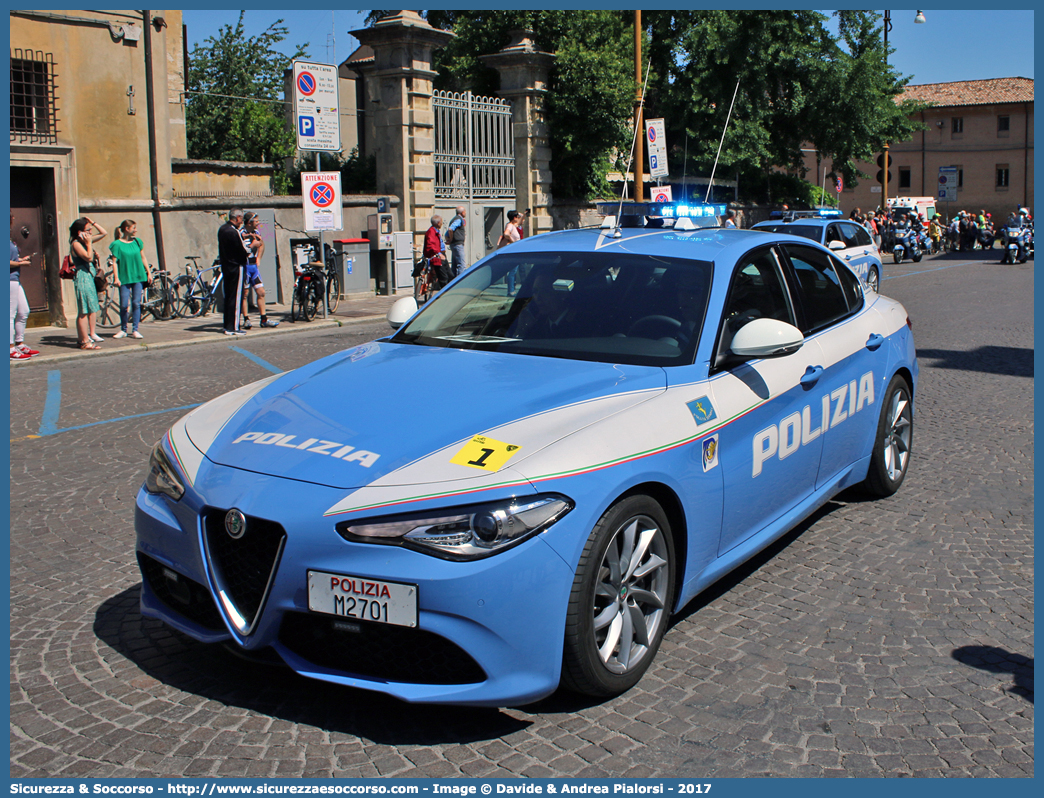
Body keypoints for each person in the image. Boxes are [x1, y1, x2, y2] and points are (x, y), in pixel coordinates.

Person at [69, 217, 108, 350]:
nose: (91, 232)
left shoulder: (84, 241)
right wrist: (90, 244)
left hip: (89, 277)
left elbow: (104, 233)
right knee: (83, 311)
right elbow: (88, 257)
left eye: (91, 230)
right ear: (80, 232)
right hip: (83, 277)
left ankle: (84, 339)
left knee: (90, 308)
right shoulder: (76, 244)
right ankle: (84, 341)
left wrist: (93, 222)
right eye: (88, 230)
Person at [108, 219, 150, 339]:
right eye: (134, 228)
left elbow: (143, 257)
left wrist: (148, 273)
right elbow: (114, 262)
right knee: (123, 305)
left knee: (136, 303)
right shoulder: (117, 244)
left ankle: (135, 329)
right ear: (127, 229)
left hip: (138, 276)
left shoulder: (137, 242)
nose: (135, 230)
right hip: (125, 277)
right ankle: (123, 329)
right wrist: (116, 277)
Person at [239, 212, 278, 329]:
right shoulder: (240, 233)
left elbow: (261, 244)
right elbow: (239, 249)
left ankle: (264, 319)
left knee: (261, 292)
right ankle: (246, 319)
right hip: (244, 266)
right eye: (256, 221)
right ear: (249, 222)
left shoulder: (256, 232)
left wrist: (258, 258)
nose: (258, 223)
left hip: (253, 267)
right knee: (244, 294)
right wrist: (252, 245)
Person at [10, 214, 38, 360]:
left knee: (23, 311)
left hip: (15, 279)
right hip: (9, 281)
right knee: (10, 314)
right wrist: (21, 264)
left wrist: (20, 259)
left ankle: (19, 343)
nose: (14, 221)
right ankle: (9, 348)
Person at [217, 208, 248, 336]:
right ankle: (234, 327)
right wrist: (252, 246)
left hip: (226, 266)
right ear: (238, 218)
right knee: (236, 297)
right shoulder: (233, 232)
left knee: (229, 296)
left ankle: (227, 326)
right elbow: (242, 250)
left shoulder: (223, 229)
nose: (242, 221)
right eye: (241, 218)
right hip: (236, 266)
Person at [498, 210, 523, 295]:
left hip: (514, 251)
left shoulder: (512, 225)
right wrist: (512, 242)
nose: (518, 218)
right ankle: (511, 290)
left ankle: (512, 289)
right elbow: (506, 234)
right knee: (512, 271)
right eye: (517, 216)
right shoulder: (510, 226)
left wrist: (522, 214)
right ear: (514, 217)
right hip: (513, 251)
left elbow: (520, 220)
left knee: (513, 271)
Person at [423, 214, 450, 289]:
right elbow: (431, 245)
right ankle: (444, 292)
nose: (442, 223)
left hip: (441, 254)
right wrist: (438, 254)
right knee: (443, 277)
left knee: (450, 274)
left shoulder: (436, 231)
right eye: (441, 222)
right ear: (438, 223)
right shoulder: (431, 232)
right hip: (437, 256)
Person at [445, 206, 467, 276]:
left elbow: (447, 233)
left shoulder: (454, 219)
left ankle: (453, 281)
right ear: (462, 212)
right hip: (458, 245)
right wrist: (451, 239)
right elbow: (450, 229)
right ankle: (460, 281)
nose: (465, 213)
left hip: (454, 245)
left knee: (454, 265)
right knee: (462, 264)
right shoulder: (458, 219)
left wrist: (448, 239)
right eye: (465, 211)